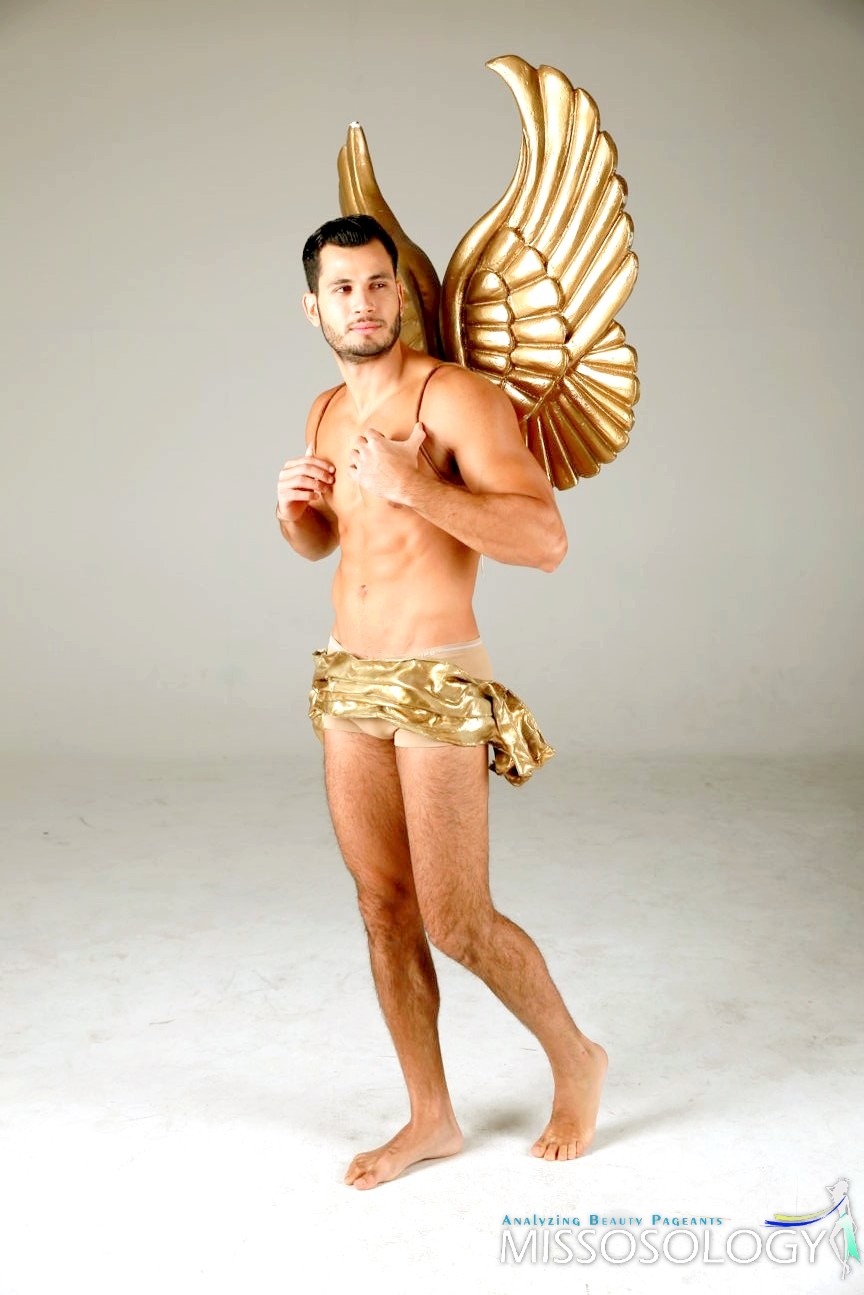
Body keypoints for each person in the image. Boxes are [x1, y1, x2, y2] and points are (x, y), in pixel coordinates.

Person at [276, 214, 607, 1191]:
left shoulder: (457, 399)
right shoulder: (325, 410)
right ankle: (431, 1115)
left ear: (401, 292)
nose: (363, 303)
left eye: (378, 284)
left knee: (457, 919)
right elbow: (330, 543)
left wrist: (418, 484)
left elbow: (545, 540)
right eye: (343, 289)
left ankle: (578, 1057)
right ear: (313, 307)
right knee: (384, 908)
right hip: (348, 679)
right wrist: (296, 514)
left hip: (437, 680)